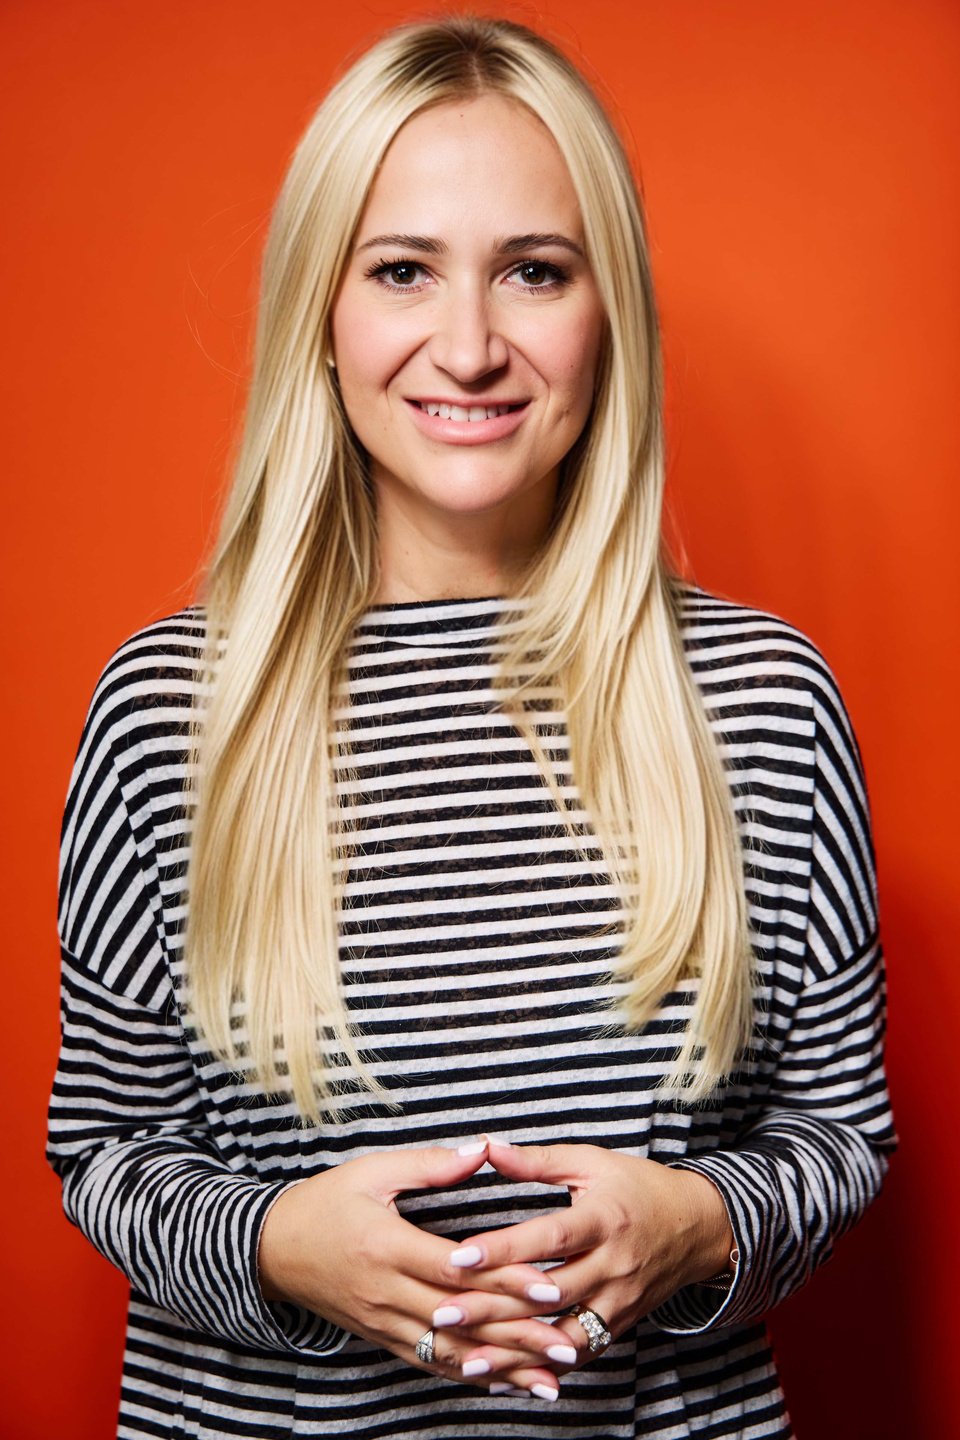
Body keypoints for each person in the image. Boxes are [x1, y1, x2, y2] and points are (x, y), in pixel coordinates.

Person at [47, 13, 896, 1439]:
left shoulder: (763, 699)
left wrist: (695, 1223)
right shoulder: (169, 714)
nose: (469, 345)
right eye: (402, 270)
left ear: (608, 313)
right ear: (322, 316)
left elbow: (839, 1137)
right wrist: (276, 1246)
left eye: (534, 271)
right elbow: (106, 1151)